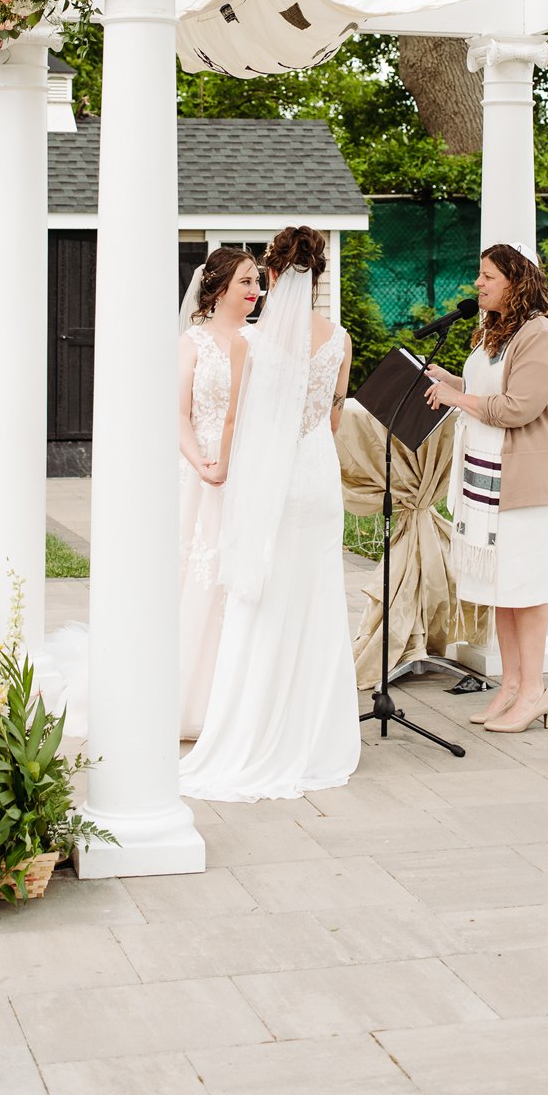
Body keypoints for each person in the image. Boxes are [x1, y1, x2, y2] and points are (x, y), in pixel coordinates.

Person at [180, 225, 361, 802]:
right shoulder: (341, 339)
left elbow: (235, 422)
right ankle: (314, 736)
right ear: (317, 276)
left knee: (262, 603)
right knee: (315, 600)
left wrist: (223, 468)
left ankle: (256, 729)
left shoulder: (248, 344)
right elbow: (333, 417)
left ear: (273, 272)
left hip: (273, 483)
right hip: (318, 478)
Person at [425, 241, 548, 735]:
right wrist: (445, 379)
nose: (478, 284)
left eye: (487, 276)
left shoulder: (540, 336)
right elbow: (484, 393)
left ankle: (536, 692)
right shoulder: (492, 333)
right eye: (479, 274)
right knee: (502, 590)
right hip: (485, 478)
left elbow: (517, 408)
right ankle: (511, 685)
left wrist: (455, 397)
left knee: (526, 590)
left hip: (525, 485)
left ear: (516, 280)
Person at [177, 248, 259, 740]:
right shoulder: (192, 343)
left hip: (251, 472)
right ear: (219, 286)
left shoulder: (261, 340)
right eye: (246, 282)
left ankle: (241, 696)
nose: (255, 291)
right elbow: (177, 415)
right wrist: (200, 464)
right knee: (199, 582)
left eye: (258, 282)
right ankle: (192, 700)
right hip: (202, 474)